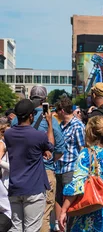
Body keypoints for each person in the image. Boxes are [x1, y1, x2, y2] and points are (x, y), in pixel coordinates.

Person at [58, 116, 103, 232]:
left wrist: (64, 210)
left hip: (93, 211)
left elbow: (77, 185)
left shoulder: (87, 154)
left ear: (89, 132)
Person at [13, 86, 66, 232]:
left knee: (19, 220)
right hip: (44, 173)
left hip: (19, 174)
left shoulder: (15, 122)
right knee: (43, 217)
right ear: (45, 100)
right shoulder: (49, 120)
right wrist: (48, 160)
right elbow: (60, 148)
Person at [5, 99, 54, 232]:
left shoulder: (8, 134)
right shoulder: (38, 136)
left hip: (15, 187)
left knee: (16, 227)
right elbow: (51, 145)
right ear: (31, 116)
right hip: (33, 188)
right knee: (32, 228)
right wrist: (49, 123)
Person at [53, 97, 86, 232]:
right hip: (60, 167)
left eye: (56, 111)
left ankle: (71, 227)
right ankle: (60, 227)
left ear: (62, 111)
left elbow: (82, 148)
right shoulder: (61, 126)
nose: (55, 113)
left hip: (71, 168)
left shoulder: (77, 126)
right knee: (59, 198)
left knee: (70, 200)